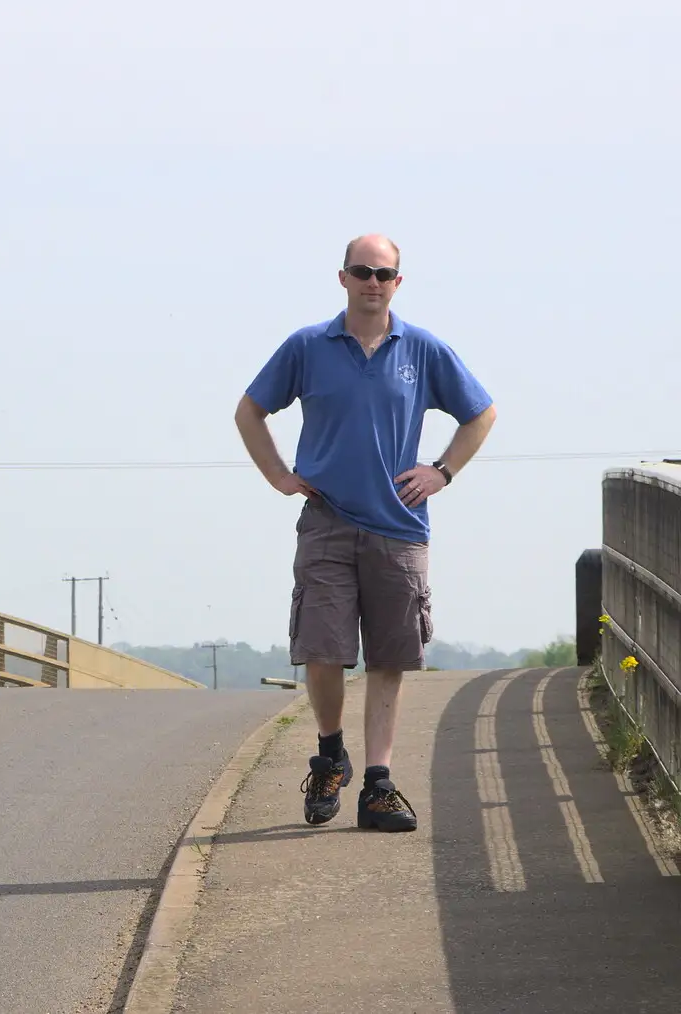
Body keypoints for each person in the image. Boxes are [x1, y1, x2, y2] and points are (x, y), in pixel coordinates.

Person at [234, 234, 496, 832]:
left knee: (389, 658)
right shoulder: (307, 346)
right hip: (326, 519)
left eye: (384, 274)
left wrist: (442, 470)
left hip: (399, 527)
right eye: (362, 271)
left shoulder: (422, 350)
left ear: (398, 282)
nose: (373, 282)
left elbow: (480, 412)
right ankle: (331, 754)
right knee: (321, 651)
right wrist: (278, 474)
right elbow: (249, 410)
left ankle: (377, 784)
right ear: (343, 278)